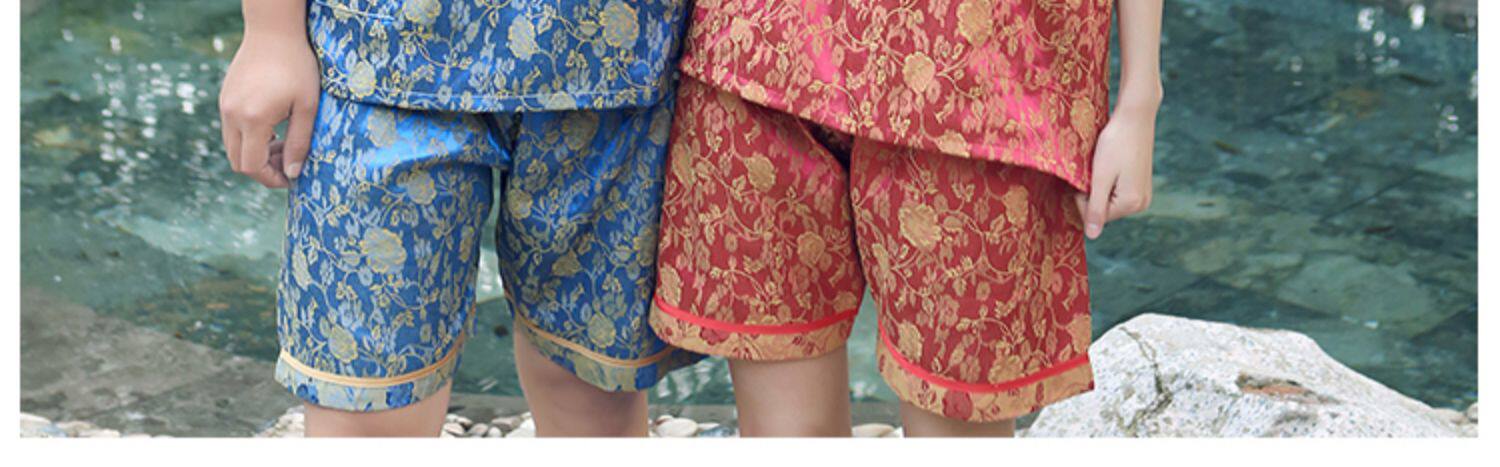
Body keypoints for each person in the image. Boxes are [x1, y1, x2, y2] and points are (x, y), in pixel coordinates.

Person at [649, 0, 1163, 436]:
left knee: (957, 429)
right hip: (759, 46)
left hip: (975, 85)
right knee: (786, 435)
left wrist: (1139, 98)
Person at [217, 0, 699, 437]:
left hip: (613, 50)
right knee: (367, 403)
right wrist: (271, 32)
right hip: (378, 51)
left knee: (592, 390)